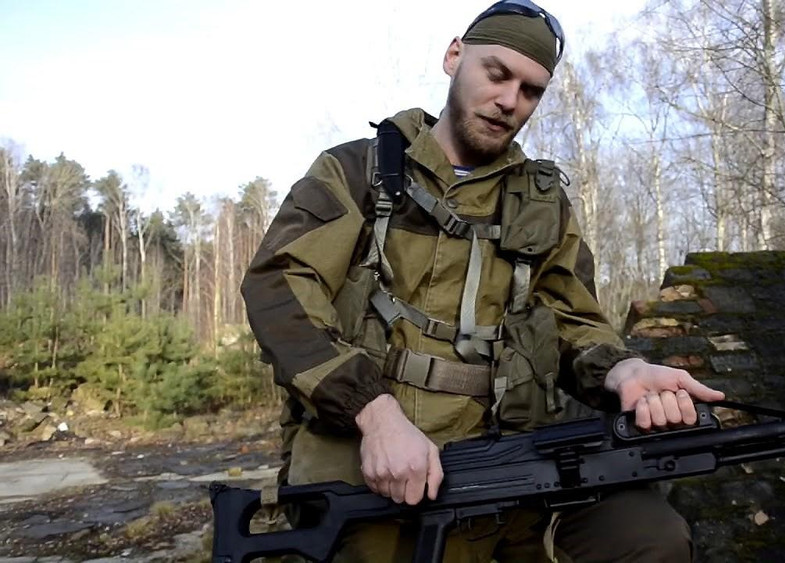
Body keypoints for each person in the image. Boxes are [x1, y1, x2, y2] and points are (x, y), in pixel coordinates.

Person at [241, 1, 725, 561]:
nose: (509, 101)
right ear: (454, 57)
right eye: (497, 74)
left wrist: (624, 370)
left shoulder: (542, 203)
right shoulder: (355, 173)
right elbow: (280, 290)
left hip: (513, 456)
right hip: (372, 449)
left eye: (531, 90)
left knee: (651, 539)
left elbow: (572, 320)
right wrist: (374, 414)